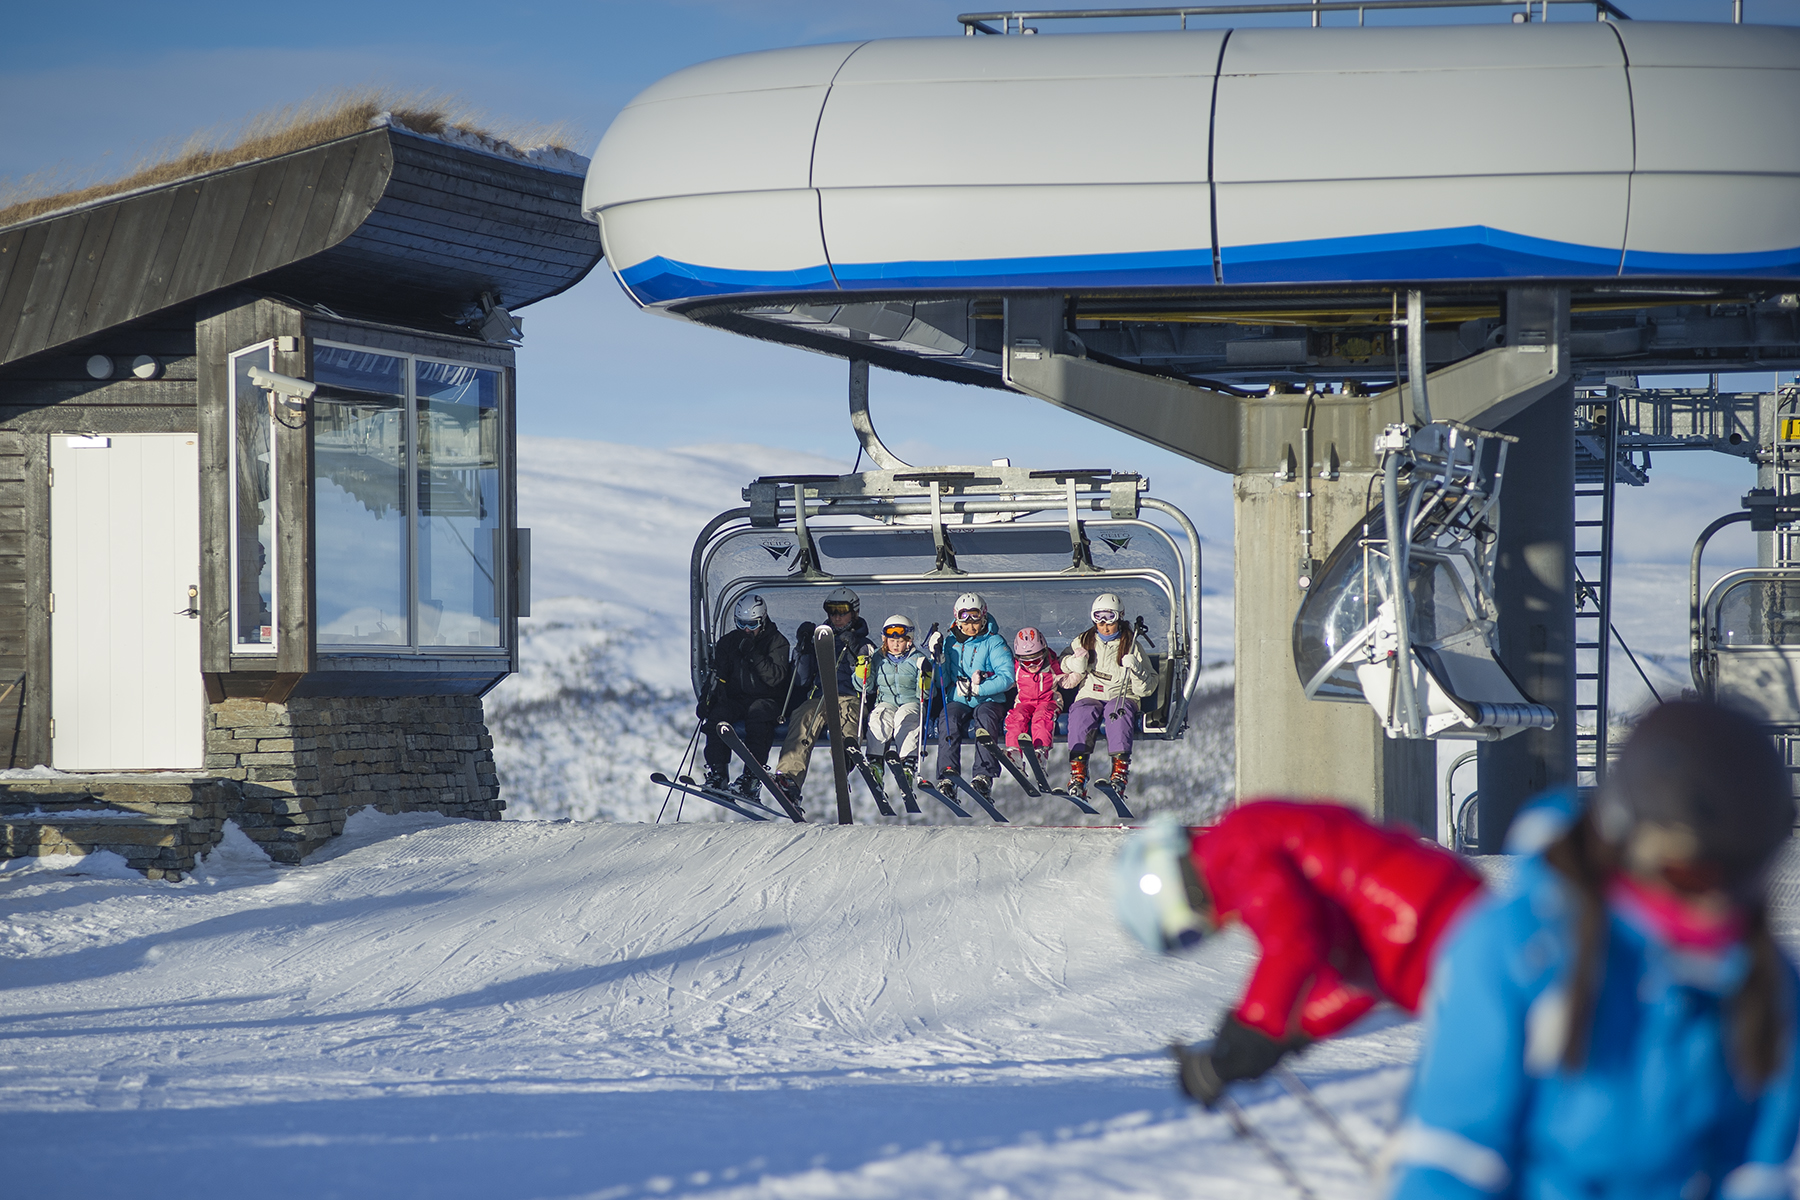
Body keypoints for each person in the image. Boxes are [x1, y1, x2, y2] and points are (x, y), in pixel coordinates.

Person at [1388, 700, 1800, 1200]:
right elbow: (1452, 1158)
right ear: (1625, 839)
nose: (1714, 908)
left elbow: (1753, 1173)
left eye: (1742, 877)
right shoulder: (1518, 951)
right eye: (1690, 876)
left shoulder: (1762, 984)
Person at [1114, 804, 1485, 1107]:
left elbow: (1292, 940)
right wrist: (1291, 1033)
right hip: (1434, 944)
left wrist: (1254, 1029)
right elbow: (1353, 976)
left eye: (1189, 935)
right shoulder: (1241, 852)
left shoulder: (1234, 851)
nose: (1211, 932)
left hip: (1434, 928)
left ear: (1176, 896)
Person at [773, 586, 871, 808]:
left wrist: (855, 655)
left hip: (850, 696)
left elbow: (868, 683)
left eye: (842, 611)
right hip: (821, 697)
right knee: (803, 716)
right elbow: (801, 679)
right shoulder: (820, 641)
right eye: (832, 611)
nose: (836, 617)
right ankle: (789, 778)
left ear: (854, 613)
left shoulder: (864, 644)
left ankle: (846, 756)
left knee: (849, 716)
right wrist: (804, 649)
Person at [1060, 593, 1157, 800]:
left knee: (1117, 713)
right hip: (1090, 692)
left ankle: (1119, 773)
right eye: (1099, 618)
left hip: (1121, 694)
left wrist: (1137, 670)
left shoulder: (1131, 645)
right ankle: (1078, 774)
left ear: (1119, 616)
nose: (1104, 625)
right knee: (1080, 713)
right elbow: (1061, 662)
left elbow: (1146, 689)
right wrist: (1073, 663)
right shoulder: (1083, 640)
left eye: (1109, 618)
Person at [697, 594, 791, 799]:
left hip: (768, 699)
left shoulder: (777, 642)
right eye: (741, 624)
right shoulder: (728, 643)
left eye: (752, 624)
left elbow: (775, 678)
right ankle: (718, 774)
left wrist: (754, 655)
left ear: (763, 621)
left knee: (759, 718)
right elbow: (717, 674)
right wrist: (707, 699)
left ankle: (751, 777)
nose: (747, 630)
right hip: (737, 699)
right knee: (718, 716)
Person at [927, 592, 1014, 797]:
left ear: (983, 617)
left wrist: (979, 689)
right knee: (949, 717)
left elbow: (1007, 677)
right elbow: (941, 680)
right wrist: (938, 658)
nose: (970, 625)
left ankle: (984, 774)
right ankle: (948, 774)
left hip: (989, 699)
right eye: (965, 620)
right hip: (959, 697)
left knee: (984, 717)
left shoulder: (993, 642)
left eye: (975, 619)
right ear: (957, 620)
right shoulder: (950, 642)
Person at [861, 613, 931, 785]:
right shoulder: (878, 658)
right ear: (885, 640)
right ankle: (875, 762)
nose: (895, 644)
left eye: (900, 640)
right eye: (891, 641)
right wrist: (862, 668)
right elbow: (865, 687)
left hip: (910, 702)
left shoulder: (917, 659)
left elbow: (926, 695)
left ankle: (907, 763)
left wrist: (926, 678)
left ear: (909, 640)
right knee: (879, 717)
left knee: (905, 718)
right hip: (886, 701)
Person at [1004, 627, 1062, 772]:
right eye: (1026, 663)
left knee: (1042, 717)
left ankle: (1041, 751)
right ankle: (1014, 751)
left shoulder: (1052, 664)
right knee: (1016, 717)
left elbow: (1065, 675)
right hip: (1024, 702)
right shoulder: (1017, 668)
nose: (1032, 666)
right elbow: (1004, 676)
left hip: (1048, 701)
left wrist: (1074, 673)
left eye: (1036, 660)